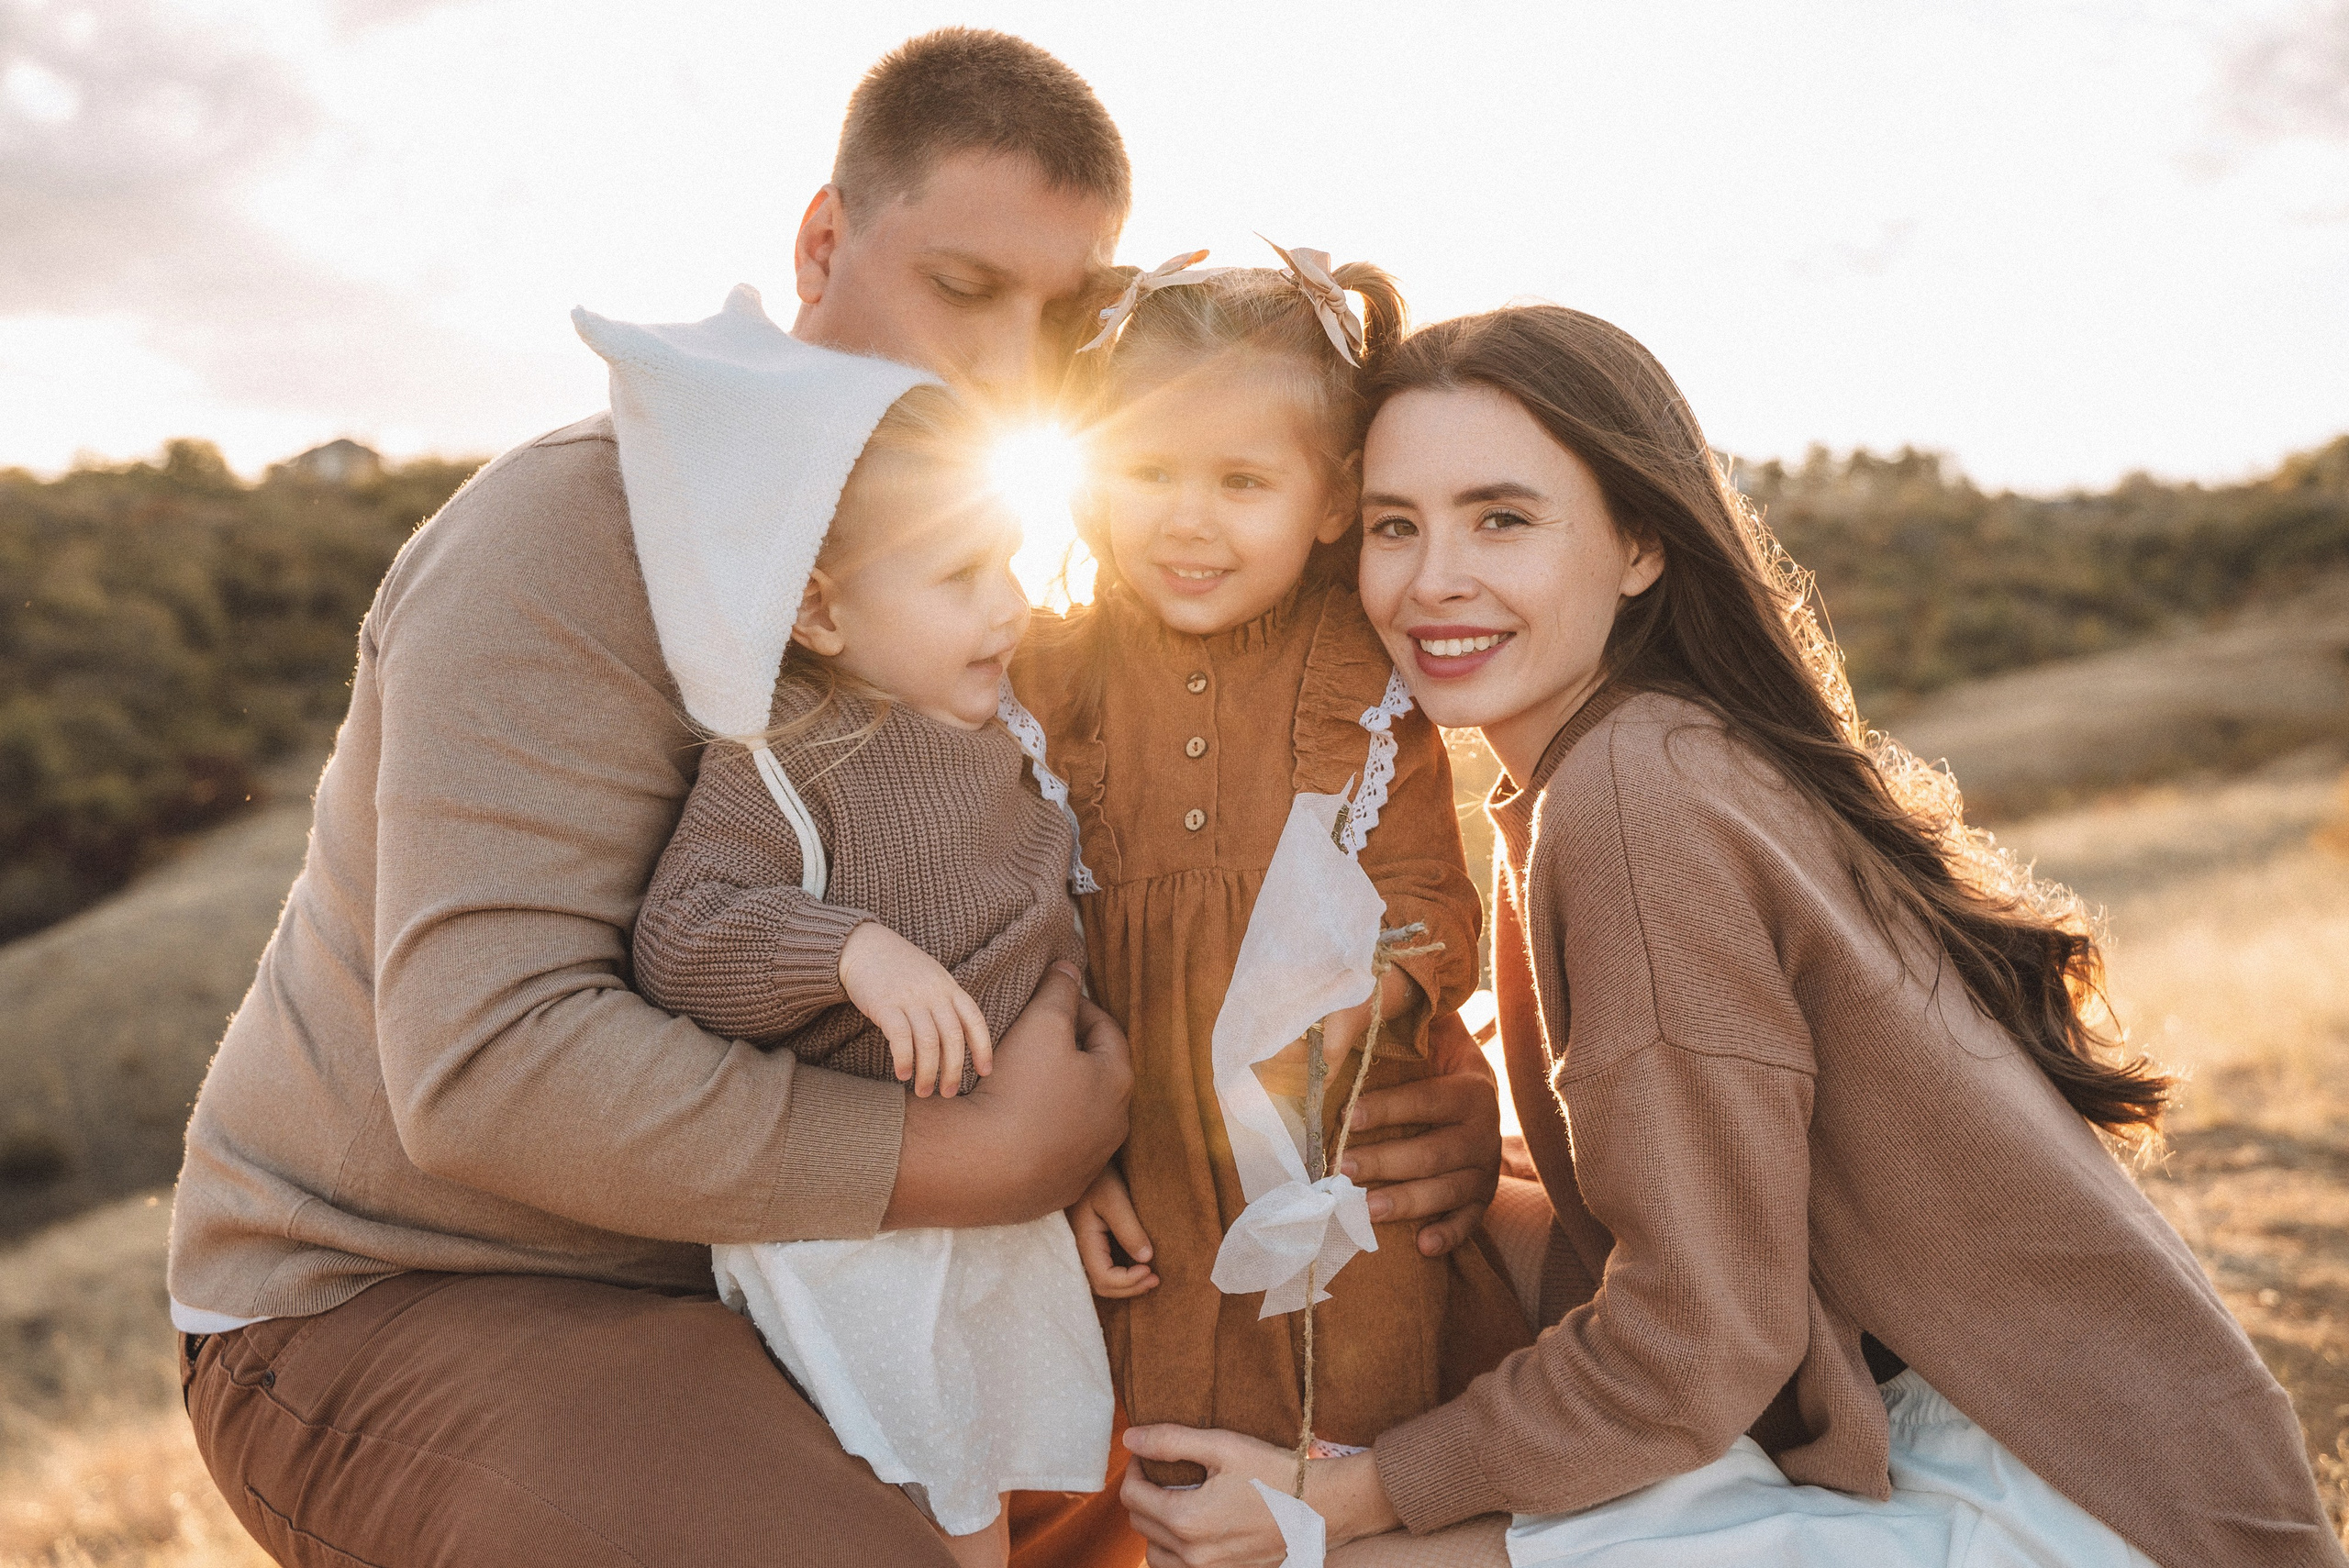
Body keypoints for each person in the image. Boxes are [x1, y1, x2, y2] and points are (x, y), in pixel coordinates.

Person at [166, 30, 1501, 1568]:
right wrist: (1000, 1157)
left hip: (845, 1267)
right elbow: (485, 1065)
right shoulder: (565, 532)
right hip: (432, 1286)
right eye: (964, 286)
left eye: (1064, 315)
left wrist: (1413, 1101)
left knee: (1475, 1313)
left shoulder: (994, 578)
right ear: (821, 243)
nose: (1010, 362)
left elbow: (1145, 894)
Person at [1118, 305, 2349, 1567]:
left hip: (2088, 1508)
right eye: (1395, 524)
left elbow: (1703, 1337)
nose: (1433, 578)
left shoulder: (1635, 793)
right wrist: (1483, 1157)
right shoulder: (1644, 756)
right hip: (2057, 1457)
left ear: (1641, 541)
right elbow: (1708, 1225)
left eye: (1502, 518)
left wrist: (1360, 1493)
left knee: (1325, 1561)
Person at [1014, 250, 1530, 1563]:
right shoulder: (1044, 673)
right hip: (1131, 1149)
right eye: (1148, 473)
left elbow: (1428, 893)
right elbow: (1005, 926)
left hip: (1323, 1127)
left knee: (1341, 1407)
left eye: (1241, 482)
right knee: (1154, 1442)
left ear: (1326, 501)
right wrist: (1039, 1154)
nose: (1188, 520)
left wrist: (1379, 988)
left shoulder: (1357, 664)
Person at [611, 319, 1111, 1568]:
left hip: (996, 1224)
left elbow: (1039, 973)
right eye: (959, 577)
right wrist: (849, 952)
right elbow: (682, 936)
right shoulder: (787, 760)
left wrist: (1081, 1160)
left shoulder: (1011, 750)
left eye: (1010, 563)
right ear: (823, 609)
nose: (1008, 605)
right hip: (850, 1240)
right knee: (884, 1512)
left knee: (979, 1508)